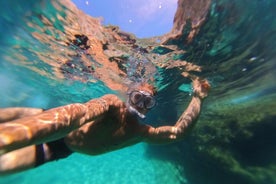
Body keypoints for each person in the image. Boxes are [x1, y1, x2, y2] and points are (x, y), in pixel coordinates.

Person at [0, 77, 210, 175]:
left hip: (60, 148)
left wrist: (198, 98)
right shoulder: (112, 104)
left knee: (4, 166)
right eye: (137, 97)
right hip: (50, 122)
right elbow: (80, 113)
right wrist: (10, 136)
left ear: (150, 108)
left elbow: (177, 132)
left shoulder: (141, 132)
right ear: (129, 96)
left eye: (147, 102)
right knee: (14, 119)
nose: (140, 104)